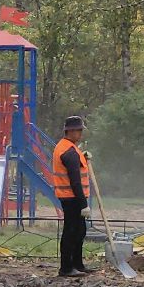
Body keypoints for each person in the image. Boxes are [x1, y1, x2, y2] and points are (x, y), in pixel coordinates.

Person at [50, 115, 92, 277]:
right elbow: (75, 181)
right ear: (71, 131)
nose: (81, 134)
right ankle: (66, 268)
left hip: (71, 197)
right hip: (72, 197)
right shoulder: (69, 152)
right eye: (79, 130)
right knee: (71, 231)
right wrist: (83, 204)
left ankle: (78, 265)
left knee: (80, 230)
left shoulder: (68, 148)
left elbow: (77, 165)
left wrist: (84, 156)